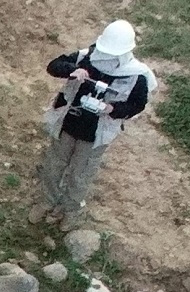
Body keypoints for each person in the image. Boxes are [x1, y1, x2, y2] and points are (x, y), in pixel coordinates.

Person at [36, 19, 156, 222]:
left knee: (80, 175)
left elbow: (137, 105)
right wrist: (71, 70)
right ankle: (47, 201)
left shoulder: (136, 76)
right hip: (69, 124)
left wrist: (113, 109)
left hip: (96, 135)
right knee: (54, 165)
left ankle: (70, 211)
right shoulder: (87, 57)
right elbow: (54, 66)